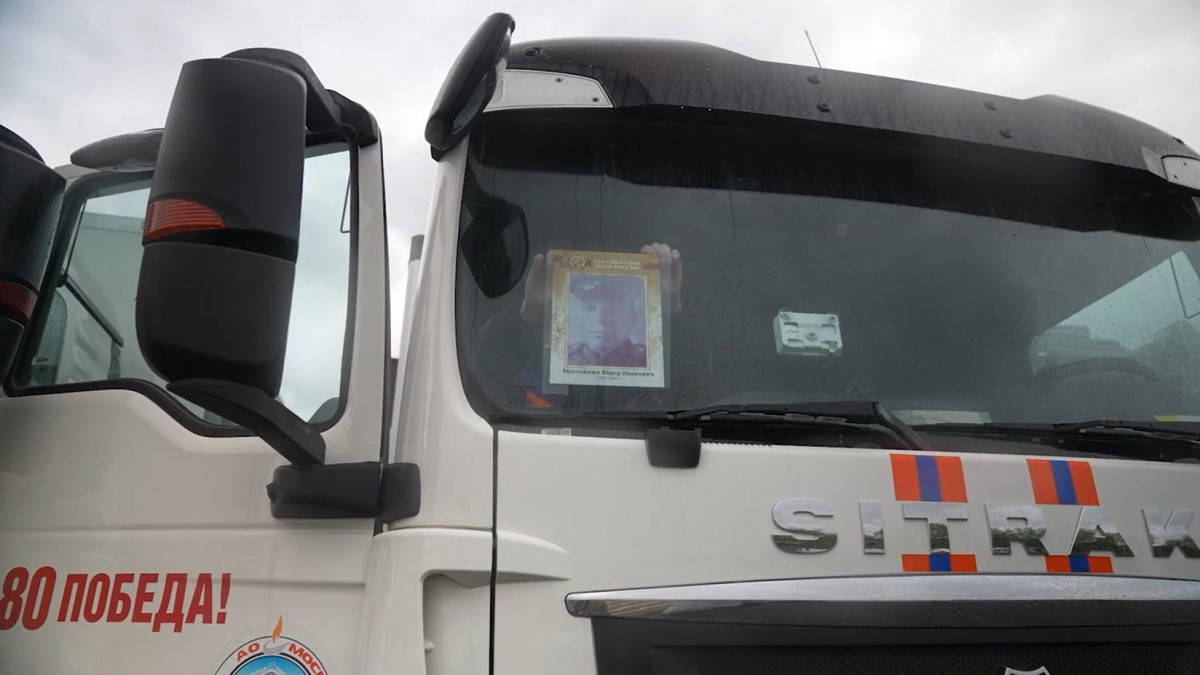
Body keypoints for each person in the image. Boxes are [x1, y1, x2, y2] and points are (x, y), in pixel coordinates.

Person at [565, 274, 648, 368]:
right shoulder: (564, 358)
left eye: (615, 310)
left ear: (633, 318)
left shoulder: (645, 360)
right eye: (590, 308)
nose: (600, 319)